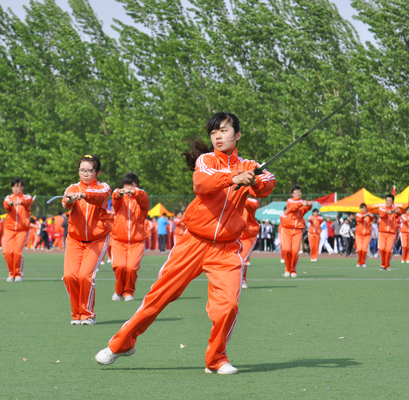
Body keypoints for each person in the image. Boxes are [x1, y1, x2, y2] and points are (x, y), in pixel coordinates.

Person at [95, 111, 275, 374]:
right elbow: (202, 183)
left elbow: (268, 181)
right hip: (193, 243)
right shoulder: (205, 160)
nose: (218, 136)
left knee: (229, 306)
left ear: (237, 135)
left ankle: (216, 360)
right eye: (213, 132)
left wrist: (255, 180)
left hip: (226, 249)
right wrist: (232, 178)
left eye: (224, 130)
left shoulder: (249, 165)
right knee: (159, 296)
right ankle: (121, 344)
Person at [62, 154, 112, 325]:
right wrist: (70, 199)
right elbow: (66, 201)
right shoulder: (72, 188)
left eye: (89, 170)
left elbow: (100, 197)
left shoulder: (103, 187)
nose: (85, 173)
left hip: (97, 240)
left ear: (97, 172)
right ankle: (76, 314)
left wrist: (83, 195)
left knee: (85, 276)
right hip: (74, 240)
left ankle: (88, 314)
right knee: (69, 276)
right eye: (82, 170)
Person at [110, 172, 149, 302]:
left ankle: (128, 292)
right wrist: (120, 193)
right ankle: (118, 291)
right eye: (126, 185)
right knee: (120, 266)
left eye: (132, 185)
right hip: (119, 241)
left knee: (132, 268)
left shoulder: (142, 198)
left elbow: (142, 197)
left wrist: (134, 191)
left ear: (136, 185)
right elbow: (115, 196)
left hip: (136, 242)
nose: (129, 188)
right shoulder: (120, 199)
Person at [3, 178, 34, 282]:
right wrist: (10, 204)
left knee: (17, 252)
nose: (16, 189)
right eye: (14, 187)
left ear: (22, 187)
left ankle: (18, 273)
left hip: (23, 230)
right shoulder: (9, 197)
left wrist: (20, 202)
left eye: (18, 186)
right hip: (9, 229)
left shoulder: (27, 197)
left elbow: (28, 201)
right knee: (7, 252)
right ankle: (11, 273)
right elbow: (6, 204)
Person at [280, 186, 312, 277]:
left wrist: (309, 204)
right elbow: (293, 207)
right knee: (286, 250)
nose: (298, 194)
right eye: (296, 192)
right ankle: (287, 268)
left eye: (299, 192)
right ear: (292, 194)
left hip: (298, 230)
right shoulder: (290, 201)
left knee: (295, 251)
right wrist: (302, 203)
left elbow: (308, 207)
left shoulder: (302, 202)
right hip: (287, 229)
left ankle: (293, 270)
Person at [239, 197, 260, 289]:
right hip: (235, 235)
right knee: (233, 260)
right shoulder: (230, 198)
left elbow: (253, 206)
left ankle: (242, 280)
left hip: (249, 236)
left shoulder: (252, 201)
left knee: (242, 259)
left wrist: (240, 197)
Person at [378, 194, 401, 270]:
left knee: (388, 250)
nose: (388, 202)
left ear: (392, 201)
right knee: (381, 249)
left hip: (391, 232)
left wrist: (395, 211)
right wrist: (389, 212)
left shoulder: (395, 209)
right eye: (387, 200)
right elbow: (382, 214)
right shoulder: (382, 208)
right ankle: (383, 264)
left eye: (390, 201)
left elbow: (399, 212)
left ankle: (387, 265)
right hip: (382, 232)